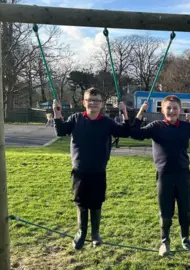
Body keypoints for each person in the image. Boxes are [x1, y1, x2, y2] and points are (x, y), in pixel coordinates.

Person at [129, 96, 190, 256]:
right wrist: (140, 114)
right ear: (162, 110)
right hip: (164, 176)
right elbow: (135, 134)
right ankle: (164, 242)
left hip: (183, 175)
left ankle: (186, 239)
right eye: (168, 108)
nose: (172, 111)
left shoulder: (186, 127)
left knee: (185, 210)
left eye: (175, 108)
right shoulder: (156, 126)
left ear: (180, 110)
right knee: (165, 212)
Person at [53, 87, 130, 250]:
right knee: (81, 203)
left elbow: (124, 132)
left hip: (98, 171)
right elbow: (61, 131)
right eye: (90, 100)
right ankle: (81, 232)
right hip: (80, 170)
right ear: (84, 102)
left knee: (96, 203)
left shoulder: (107, 122)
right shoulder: (76, 119)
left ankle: (95, 234)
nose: (93, 103)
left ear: (101, 104)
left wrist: (124, 113)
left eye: (96, 101)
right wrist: (57, 113)